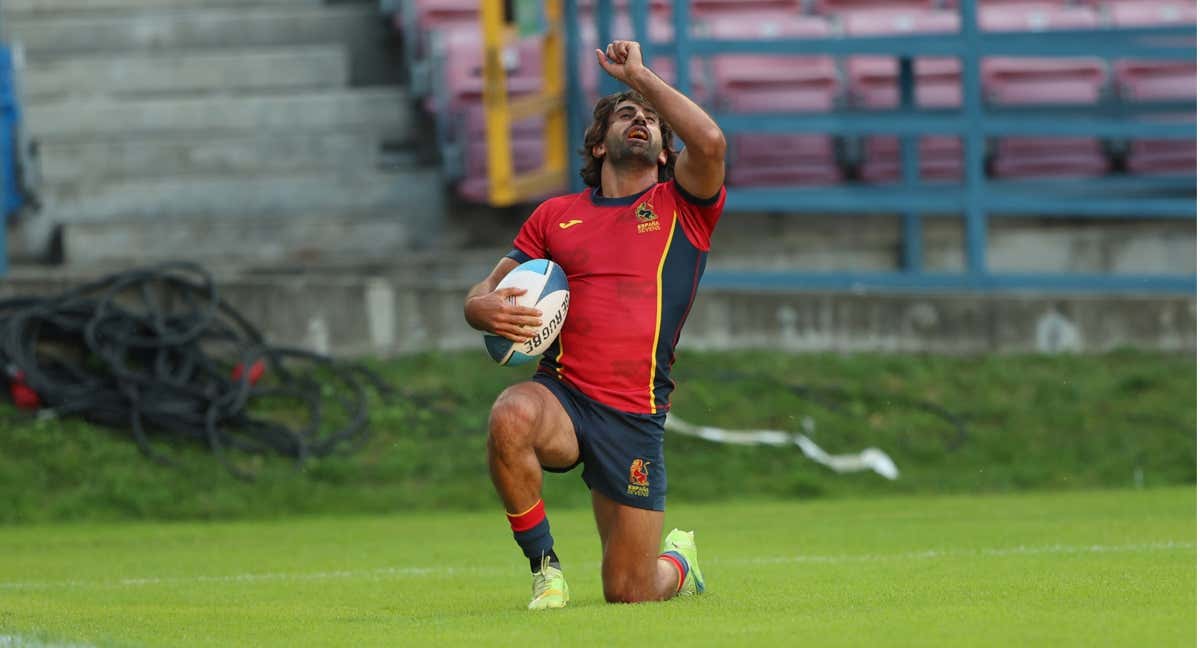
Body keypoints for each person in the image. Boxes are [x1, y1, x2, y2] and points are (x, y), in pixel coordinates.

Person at [463, 39, 727, 609]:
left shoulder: (684, 207)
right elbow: (486, 291)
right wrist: (477, 307)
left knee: (629, 591)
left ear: (663, 153)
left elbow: (709, 141)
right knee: (509, 415)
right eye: (627, 113)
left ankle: (680, 562)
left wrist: (641, 79)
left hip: (633, 413)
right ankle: (545, 569)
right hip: (564, 397)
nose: (641, 120)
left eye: (652, 120)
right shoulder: (554, 216)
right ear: (598, 142)